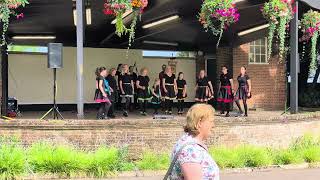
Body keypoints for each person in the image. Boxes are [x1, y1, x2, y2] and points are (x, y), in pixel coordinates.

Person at [168, 104, 219, 180]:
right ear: (199, 123)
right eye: (211, 121)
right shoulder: (190, 151)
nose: (213, 125)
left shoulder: (188, 140)